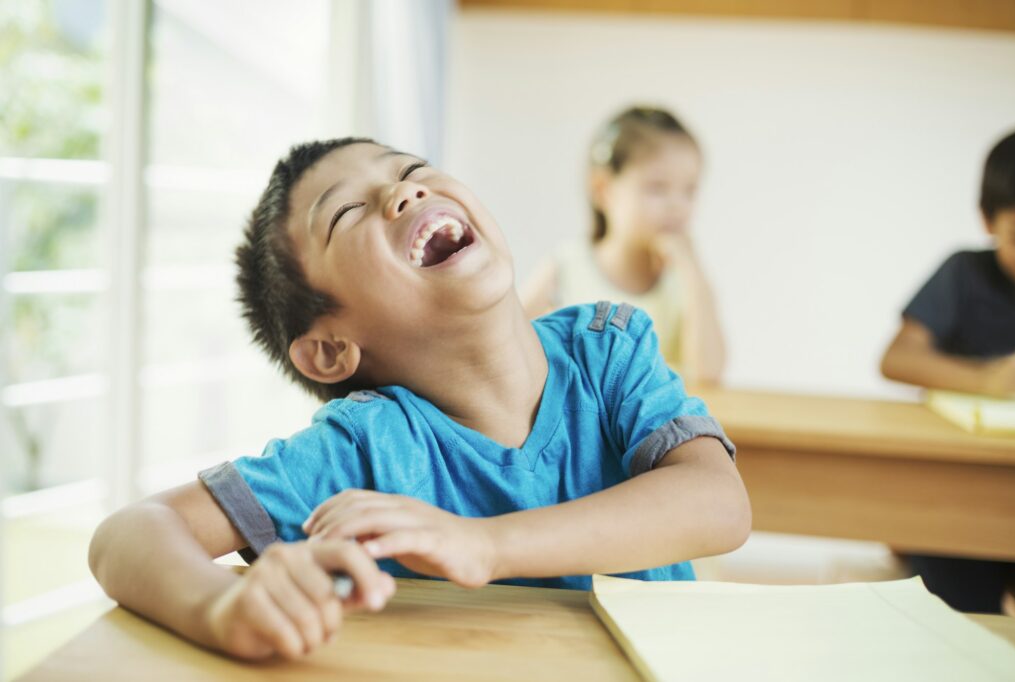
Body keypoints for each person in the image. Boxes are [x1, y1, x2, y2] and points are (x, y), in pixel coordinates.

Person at [89, 137, 751, 660]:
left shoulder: (608, 349)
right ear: (330, 350)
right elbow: (126, 536)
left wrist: (484, 545)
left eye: (409, 168)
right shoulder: (365, 446)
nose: (403, 192)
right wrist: (220, 611)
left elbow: (720, 505)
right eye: (347, 212)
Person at [880, 127, 1015, 613]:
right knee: (958, 612)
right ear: (987, 219)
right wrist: (989, 380)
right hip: (957, 498)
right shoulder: (964, 274)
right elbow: (897, 359)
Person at [522, 106, 726, 382]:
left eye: (689, 190)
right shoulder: (566, 267)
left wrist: (692, 270)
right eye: (658, 188)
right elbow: (506, 343)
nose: (677, 206)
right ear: (602, 190)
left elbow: (709, 372)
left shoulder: (683, 279)